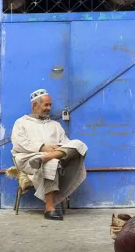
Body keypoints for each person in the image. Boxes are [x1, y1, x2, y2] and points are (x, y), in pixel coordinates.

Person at [11, 89, 88, 220]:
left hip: (53, 157)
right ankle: (49, 208)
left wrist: (54, 151)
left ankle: (47, 158)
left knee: (79, 144)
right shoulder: (21, 123)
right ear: (35, 105)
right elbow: (19, 143)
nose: (49, 108)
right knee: (51, 163)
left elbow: (67, 144)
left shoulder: (55, 125)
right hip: (29, 159)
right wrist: (43, 147)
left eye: (50, 105)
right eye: (46, 105)